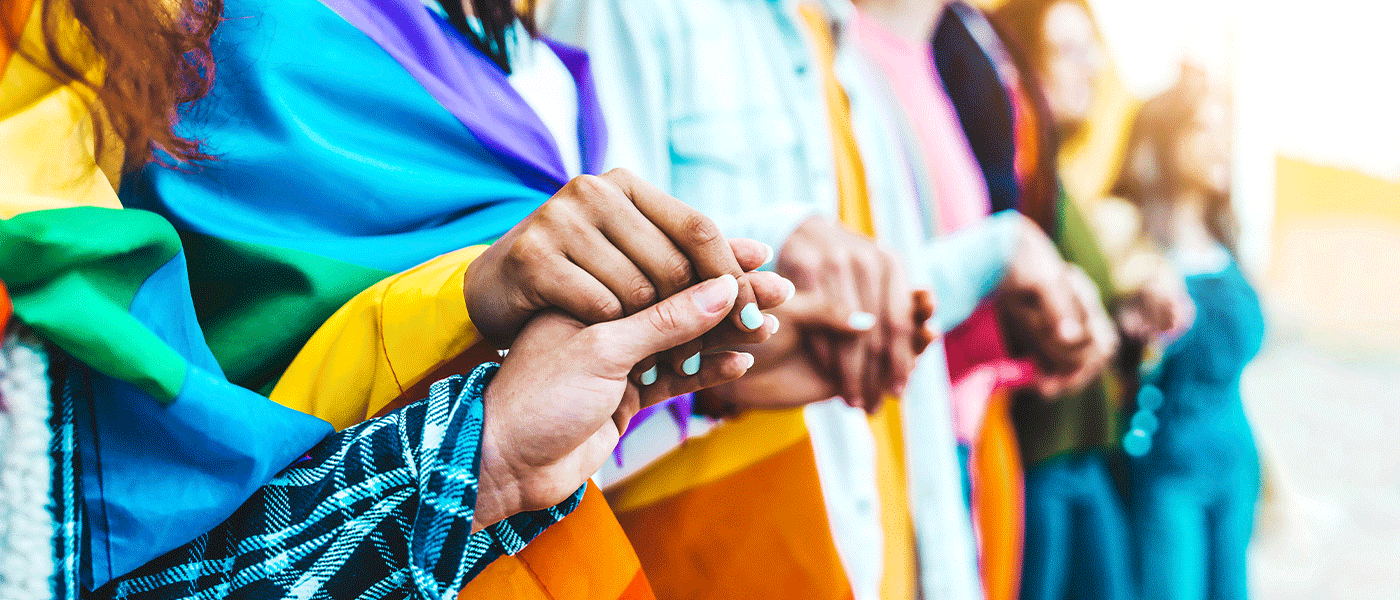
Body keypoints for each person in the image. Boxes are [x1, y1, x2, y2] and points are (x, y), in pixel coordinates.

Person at [0, 0, 791, 597]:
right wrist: (478, 433)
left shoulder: (522, 41)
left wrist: (699, 366)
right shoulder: (156, 32)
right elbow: (104, 520)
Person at [548, 1, 1116, 599]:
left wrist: (1003, 257)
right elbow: (580, 345)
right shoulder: (626, 12)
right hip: (711, 563)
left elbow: (881, 303)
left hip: (868, 558)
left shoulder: (838, 43)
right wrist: (774, 254)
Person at [1112, 68, 1263, 600]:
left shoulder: (1229, 243)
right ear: (1165, 140)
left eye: (1224, 129)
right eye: (1203, 128)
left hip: (1236, 467)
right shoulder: (1132, 241)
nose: (1220, 144)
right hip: (1169, 466)